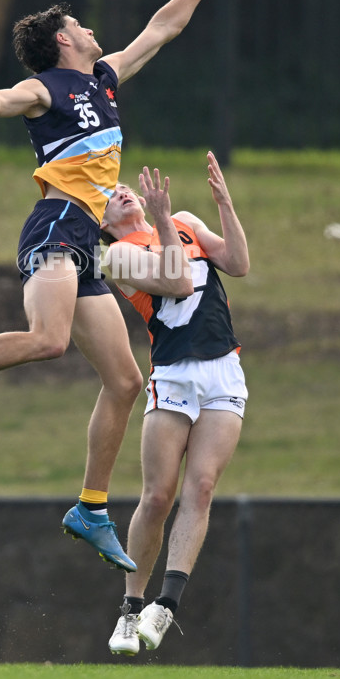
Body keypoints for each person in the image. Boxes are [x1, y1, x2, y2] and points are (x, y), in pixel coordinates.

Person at [0, 0, 246, 574]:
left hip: (90, 246)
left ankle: (90, 508)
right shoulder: (45, 87)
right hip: (55, 225)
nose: (93, 30)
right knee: (47, 341)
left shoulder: (103, 76)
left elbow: (161, 28)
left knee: (127, 381)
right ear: (62, 40)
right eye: (81, 25)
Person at [101, 153, 249, 652]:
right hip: (173, 376)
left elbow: (238, 263)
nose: (120, 190)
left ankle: (166, 606)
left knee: (201, 488)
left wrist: (225, 203)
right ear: (102, 223)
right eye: (108, 196)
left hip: (223, 369)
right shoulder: (117, 257)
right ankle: (130, 608)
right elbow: (179, 281)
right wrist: (162, 220)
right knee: (158, 496)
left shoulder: (186, 220)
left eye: (122, 185)